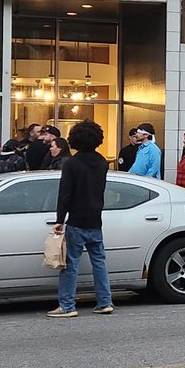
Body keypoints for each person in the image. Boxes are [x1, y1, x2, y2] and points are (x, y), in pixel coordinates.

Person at [48, 119, 113, 318]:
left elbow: (65, 194)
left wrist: (60, 219)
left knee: (70, 263)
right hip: (95, 218)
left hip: (77, 219)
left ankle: (67, 305)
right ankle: (105, 301)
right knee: (99, 261)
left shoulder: (72, 164)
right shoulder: (102, 162)